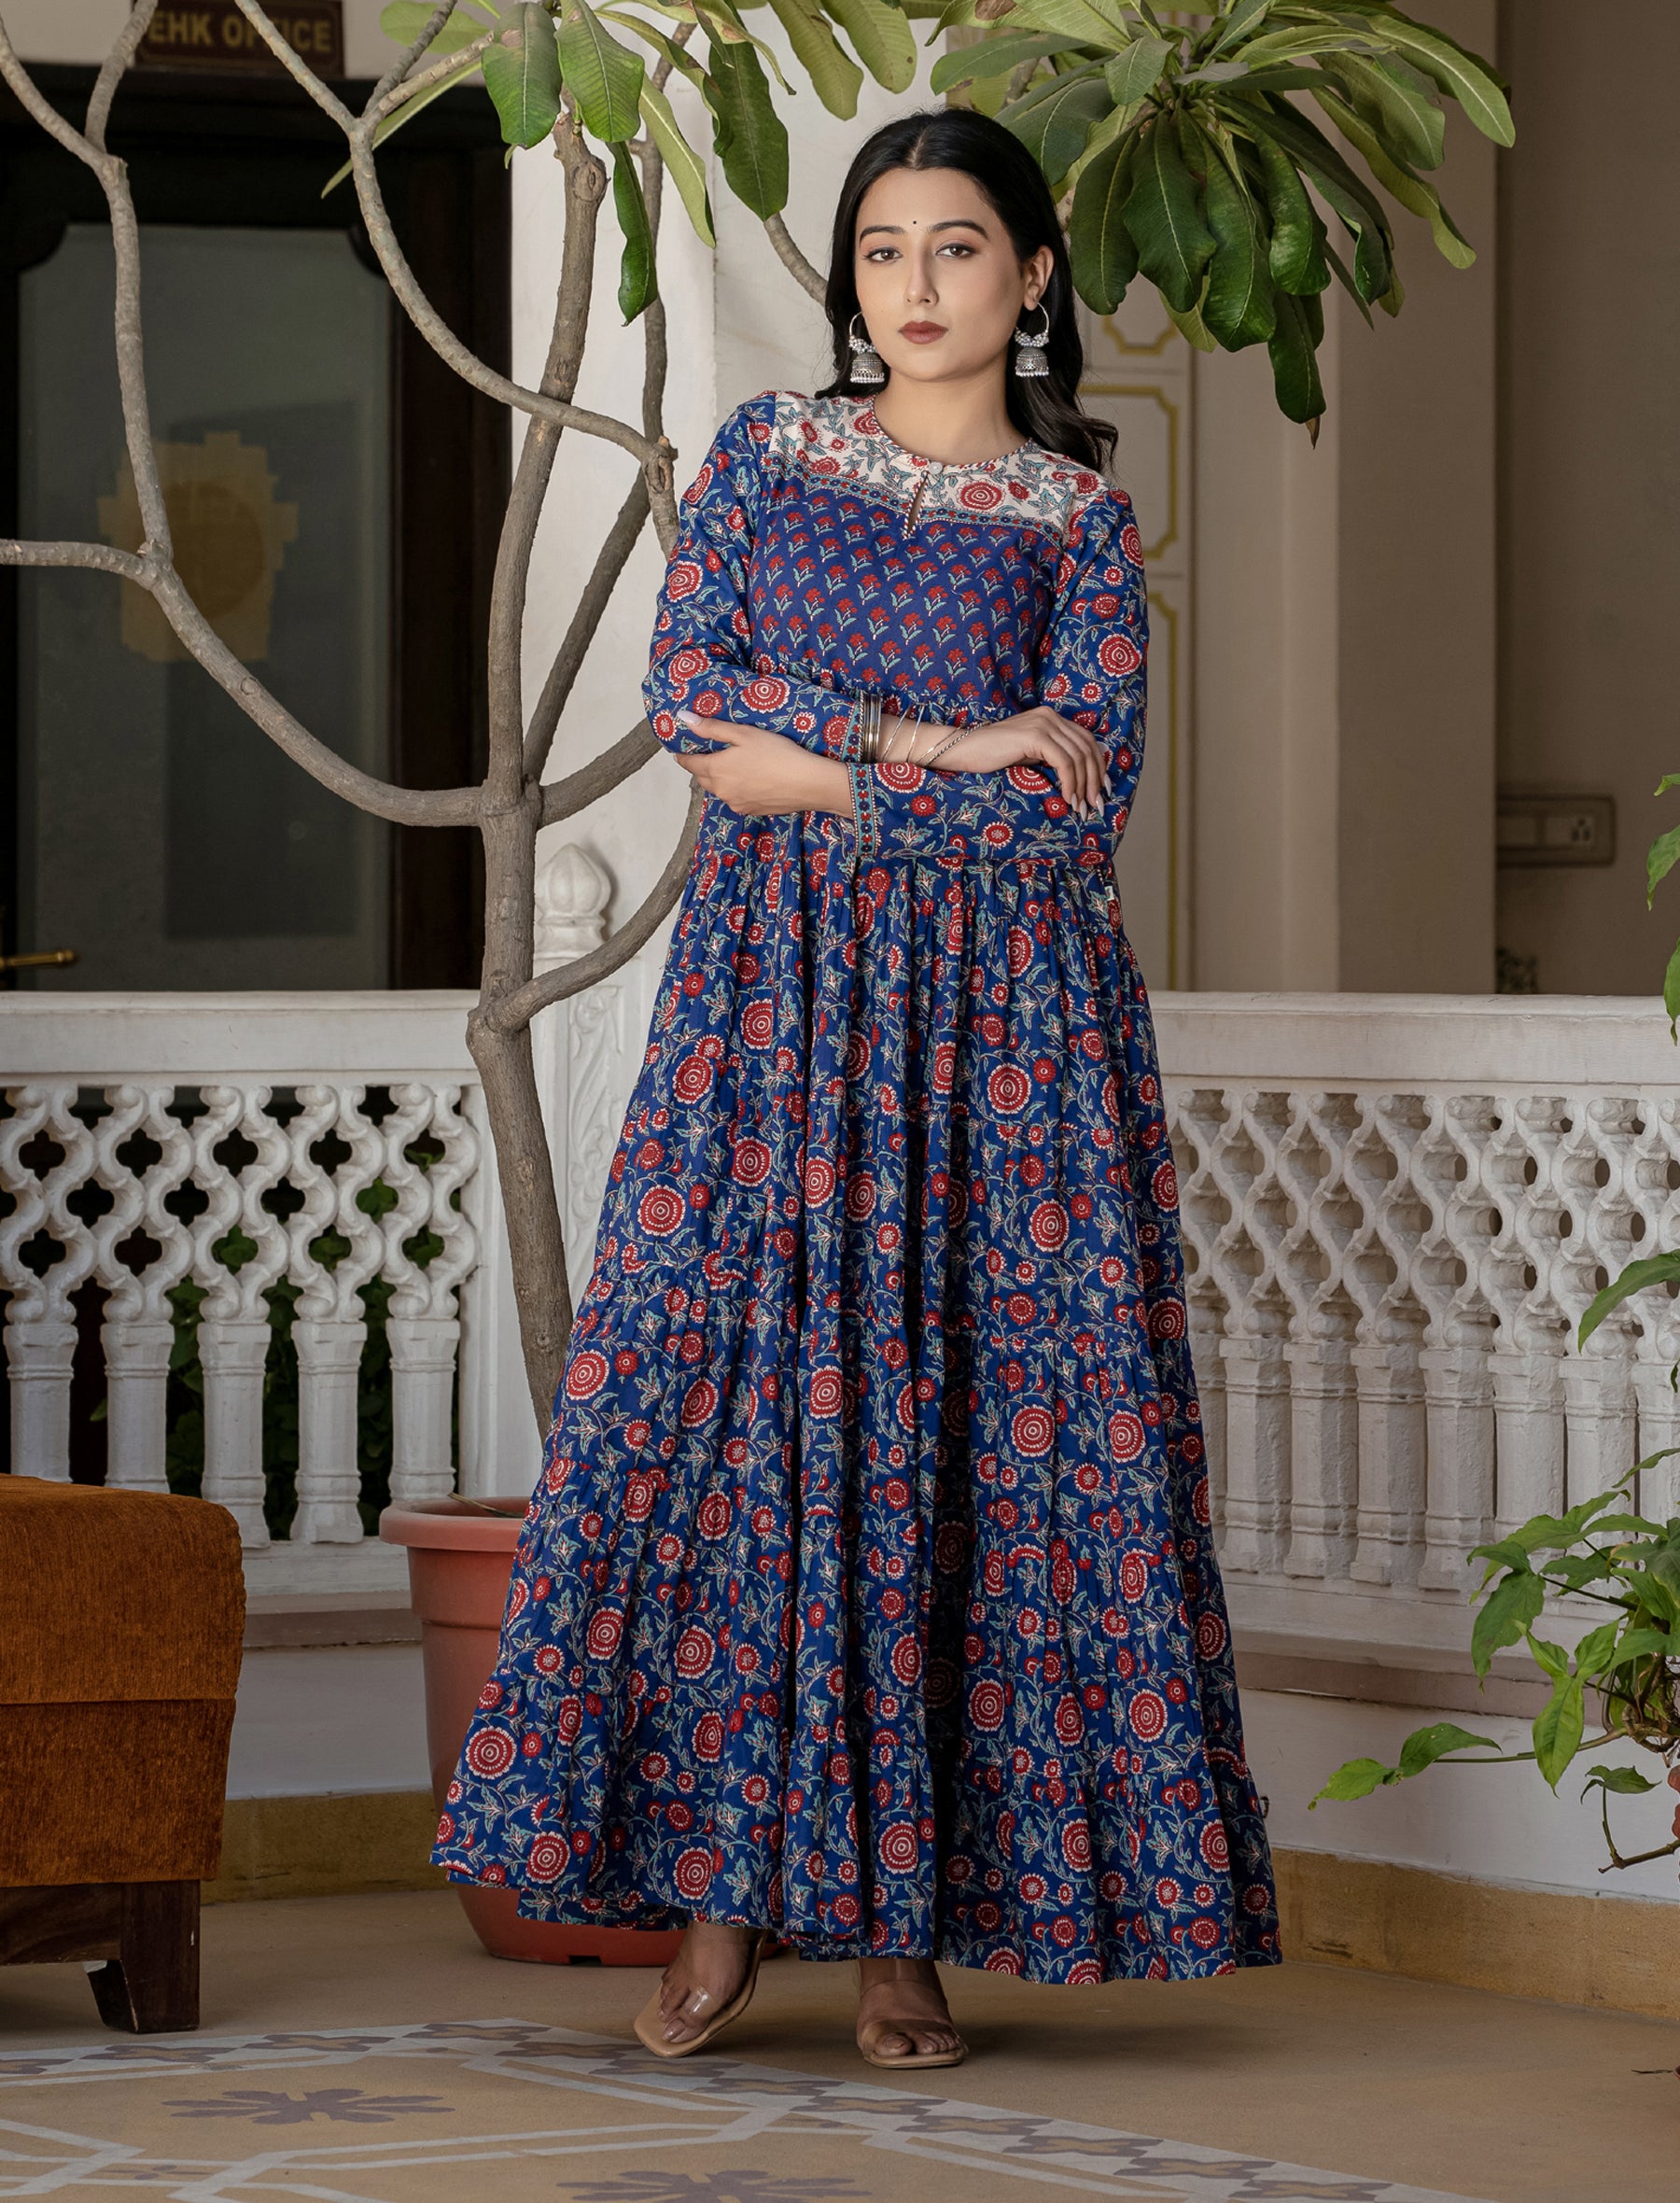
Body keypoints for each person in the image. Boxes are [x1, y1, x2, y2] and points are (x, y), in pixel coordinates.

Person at [434, 103, 1280, 2070]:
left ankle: (909, 1943)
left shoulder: (1079, 522)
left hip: (1008, 1057)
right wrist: (949, 741)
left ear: (1033, 275)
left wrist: (850, 775)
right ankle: (721, 1906)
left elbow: (1070, 820)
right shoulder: (766, 458)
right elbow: (698, 709)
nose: (915, 286)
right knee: (745, 1433)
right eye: (882, 252)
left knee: (965, 1448)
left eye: (956, 248)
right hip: (768, 1025)